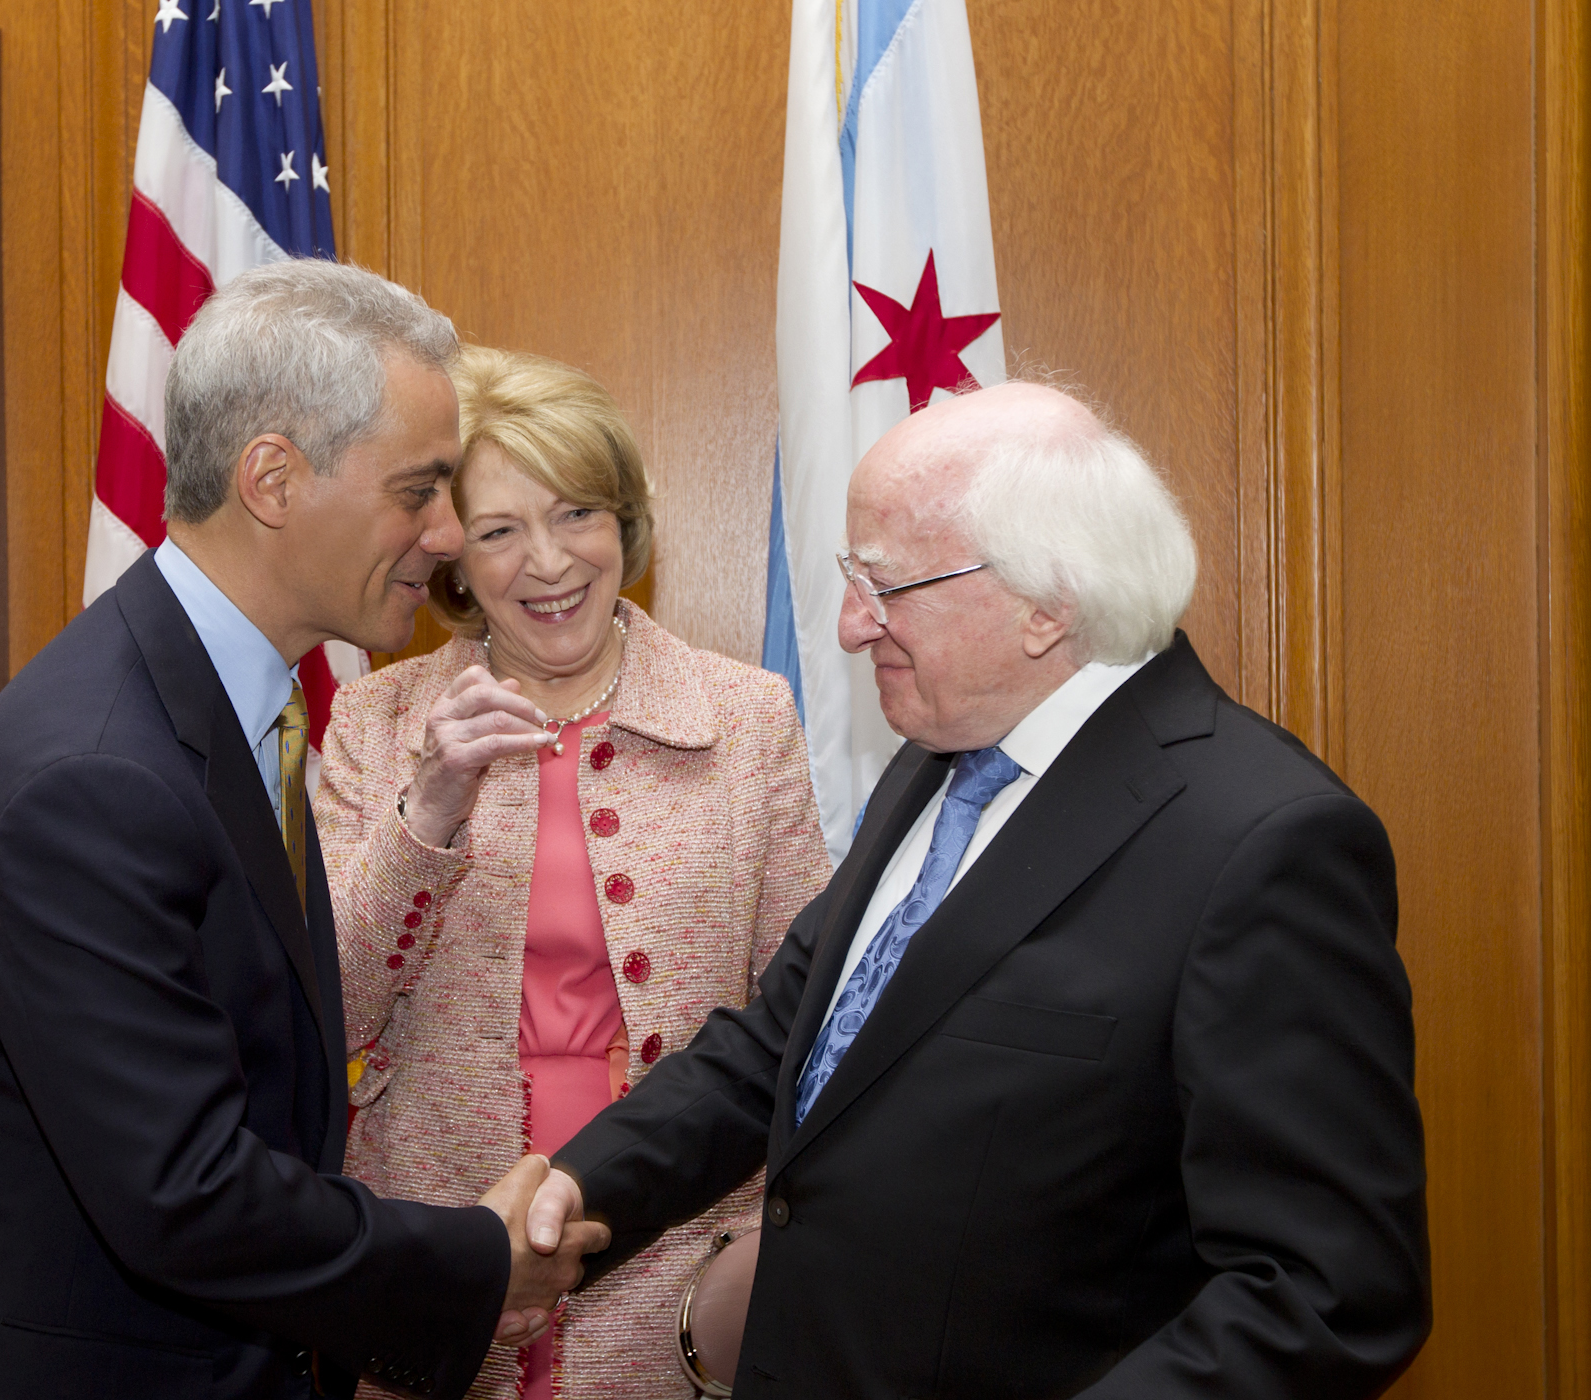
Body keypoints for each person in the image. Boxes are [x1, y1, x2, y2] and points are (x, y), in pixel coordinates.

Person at [525, 381, 1431, 1398]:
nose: (850, 627)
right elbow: (781, 1049)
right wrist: (571, 1188)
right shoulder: (933, 761)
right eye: (848, 576)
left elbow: (1323, 1286)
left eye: (885, 583)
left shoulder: (1262, 840)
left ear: (1048, 603)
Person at [0, 262, 607, 1400]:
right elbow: (185, 1191)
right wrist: (478, 1257)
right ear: (272, 477)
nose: (449, 531)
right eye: (420, 488)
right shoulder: (91, 777)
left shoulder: (235, 711)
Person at [315, 346, 830, 1399]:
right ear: (454, 559)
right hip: (435, 1258)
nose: (548, 562)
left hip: (679, 1259)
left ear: (624, 524)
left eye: (577, 513)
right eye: (500, 530)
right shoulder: (377, 722)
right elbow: (328, 1010)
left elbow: (807, 1025)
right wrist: (434, 804)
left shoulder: (748, 716)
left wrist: (752, 1268)